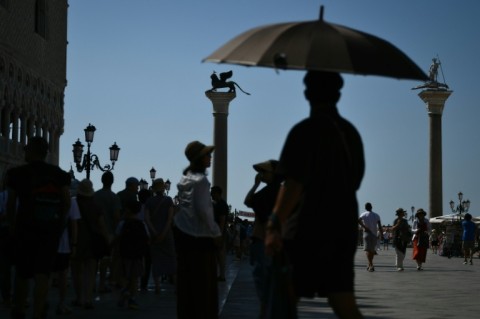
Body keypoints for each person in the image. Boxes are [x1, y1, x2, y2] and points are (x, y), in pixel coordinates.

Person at [264, 71, 365, 319]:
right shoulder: (351, 133)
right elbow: (356, 180)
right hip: (342, 226)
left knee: (286, 297)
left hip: (307, 227)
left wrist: (274, 223)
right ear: (339, 95)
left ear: (307, 94)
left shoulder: (304, 131)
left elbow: (293, 184)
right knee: (343, 300)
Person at [6, 136, 71, 319]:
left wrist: (12, 225)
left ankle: (19, 310)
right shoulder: (59, 174)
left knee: (22, 272)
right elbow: (66, 201)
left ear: (32, 150)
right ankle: (38, 312)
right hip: (49, 230)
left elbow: (11, 203)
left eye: (26, 148)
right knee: (43, 272)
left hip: (25, 228)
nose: (24, 150)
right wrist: (59, 223)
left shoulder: (17, 174)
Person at [174, 140, 221, 319]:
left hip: (185, 238)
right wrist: (216, 232)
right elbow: (204, 210)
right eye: (207, 155)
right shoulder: (201, 181)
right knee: (203, 289)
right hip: (201, 241)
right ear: (200, 158)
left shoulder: (185, 179)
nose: (210, 158)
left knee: (187, 287)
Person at [243, 159, 282, 318]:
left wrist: (255, 185)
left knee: (264, 287)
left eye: (264, 171)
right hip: (274, 244)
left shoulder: (267, 193)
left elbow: (248, 201)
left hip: (262, 242)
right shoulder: (281, 191)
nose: (260, 174)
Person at [71, 179, 110, 309]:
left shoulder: (74, 204)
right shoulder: (96, 206)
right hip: (93, 241)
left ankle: (79, 298)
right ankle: (88, 299)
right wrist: (107, 239)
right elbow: (102, 225)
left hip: (77, 240)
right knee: (91, 271)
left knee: (77, 271)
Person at [115, 200, 149, 310]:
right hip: (138, 254)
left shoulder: (123, 223)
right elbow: (147, 238)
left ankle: (124, 291)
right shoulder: (142, 224)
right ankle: (132, 299)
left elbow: (117, 236)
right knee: (135, 277)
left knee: (124, 275)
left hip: (125, 253)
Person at [144, 178, 176, 293]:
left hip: (154, 235)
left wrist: (154, 232)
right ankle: (175, 283)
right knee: (171, 258)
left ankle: (157, 286)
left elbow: (147, 219)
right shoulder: (168, 200)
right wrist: (164, 233)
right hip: (166, 234)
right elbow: (169, 218)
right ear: (163, 188)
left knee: (156, 259)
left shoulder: (149, 201)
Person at [93, 171, 121, 293]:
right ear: (112, 181)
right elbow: (116, 216)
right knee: (105, 259)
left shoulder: (95, 196)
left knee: (94, 259)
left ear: (102, 180)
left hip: (94, 231)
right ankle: (102, 284)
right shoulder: (114, 197)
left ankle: (92, 283)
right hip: (109, 232)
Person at [211, 185, 229, 282]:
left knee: (220, 254)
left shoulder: (221, 205)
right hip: (216, 232)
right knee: (217, 254)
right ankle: (220, 275)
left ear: (217, 193)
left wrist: (220, 234)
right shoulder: (217, 204)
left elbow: (222, 221)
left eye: (212, 192)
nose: (211, 194)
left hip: (218, 233)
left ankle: (222, 275)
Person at [358, 202, 383, 272]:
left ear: (365, 208)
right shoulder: (376, 215)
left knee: (369, 250)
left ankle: (370, 265)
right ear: (371, 207)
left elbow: (358, 220)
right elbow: (380, 226)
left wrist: (364, 227)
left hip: (367, 233)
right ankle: (370, 264)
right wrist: (382, 235)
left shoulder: (363, 214)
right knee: (371, 250)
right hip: (374, 234)